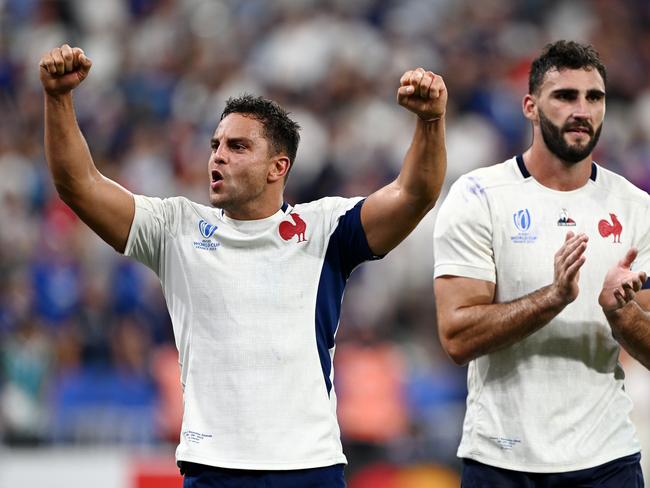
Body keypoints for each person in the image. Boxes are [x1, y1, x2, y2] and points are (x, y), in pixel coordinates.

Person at [39, 44, 447, 487]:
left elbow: (415, 194)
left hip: (308, 467)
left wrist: (430, 122)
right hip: (214, 467)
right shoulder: (175, 228)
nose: (217, 156)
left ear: (278, 167)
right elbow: (78, 184)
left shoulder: (327, 229)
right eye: (215, 145)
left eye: (237, 147)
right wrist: (58, 99)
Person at [433, 40, 650, 487]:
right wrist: (552, 298)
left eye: (594, 97)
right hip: (501, 459)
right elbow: (456, 337)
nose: (582, 110)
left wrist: (621, 313)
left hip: (607, 460)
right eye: (565, 96)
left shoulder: (635, 208)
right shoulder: (479, 196)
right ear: (530, 106)